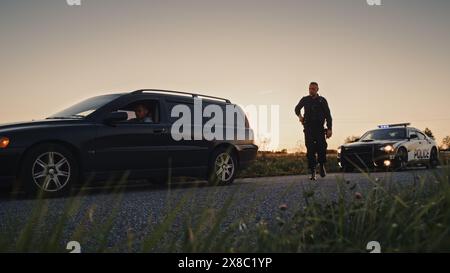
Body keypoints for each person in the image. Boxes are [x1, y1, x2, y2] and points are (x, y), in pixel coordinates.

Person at [294, 82, 333, 180]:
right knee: (310, 149)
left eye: (313, 89)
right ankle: (313, 172)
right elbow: (296, 109)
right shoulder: (305, 99)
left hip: (319, 128)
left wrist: (329, 129)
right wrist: (300, 117)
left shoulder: (322, 100)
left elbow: (328, 116)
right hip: (308, 128)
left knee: (321, 147)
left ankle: (322, 165)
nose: (311, 90)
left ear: (317, 89)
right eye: (310, 88)